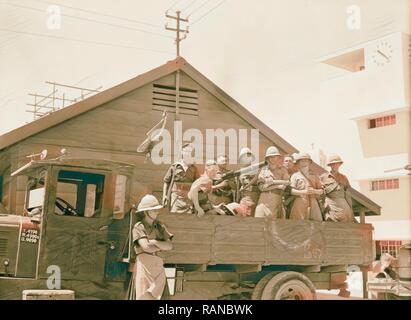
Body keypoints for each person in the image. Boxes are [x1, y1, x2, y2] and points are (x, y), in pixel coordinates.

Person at [130, 194, 173, 300]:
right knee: (145, 295)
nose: (156, 212)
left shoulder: (160, 226)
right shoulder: (139, 227)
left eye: (156, 210)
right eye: (153, 210)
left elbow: (169, 246)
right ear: (146, 212)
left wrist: (154, 242)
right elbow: (146, 247)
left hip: (158, 265)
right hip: (145, 265)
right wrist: (161, 246)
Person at [162, 143, 200, 214]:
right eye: (186, 151)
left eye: (189, 152)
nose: (187, 154)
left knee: (188, 216)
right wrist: (164, 195)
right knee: (174, 214)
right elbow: (166, 181)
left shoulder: (194, 168)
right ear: (182, 152)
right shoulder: (175, 166)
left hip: (188, 197)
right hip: (176, 197)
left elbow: (197, 183)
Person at [255, 146, 290, 219]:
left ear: (278, 158)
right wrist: (277, 186)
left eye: (275, 157)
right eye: (270, 157)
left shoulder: (283, 170)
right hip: (264, 200)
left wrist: (273, 182)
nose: (273, 159)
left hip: (276, 199)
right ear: (267, 159)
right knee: (259, 223)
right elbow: (261, 187)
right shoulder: (263, 170)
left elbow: (287, 182)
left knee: (273, 225)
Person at [289, 152, 324, 221]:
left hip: (313, 201)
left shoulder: (314, 175)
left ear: (309, 162)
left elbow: (321, 191)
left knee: (316, 223)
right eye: (302, 160)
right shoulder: (295, 176)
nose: (304, 162)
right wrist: (304, 192)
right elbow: (292, 191)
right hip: (300, 201)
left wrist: (314, 191)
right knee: (298, 224)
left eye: (306, 160)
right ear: (298, 162)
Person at [320, 155, 356, 222]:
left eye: (337, 163)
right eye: (332, 164)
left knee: (348, 223)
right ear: (330, 165)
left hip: (343, 205)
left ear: (339, 164)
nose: (335, 165)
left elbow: (348, 193)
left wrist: (350, 208)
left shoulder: (344, 178)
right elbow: (320, 193)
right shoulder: (323, 177)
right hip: (331, 204)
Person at [237, 147, 260, 215]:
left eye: (248, 156)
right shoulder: (240, 171)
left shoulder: (256, 169)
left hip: (254, 197)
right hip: (244, 198)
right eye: (244, 157)